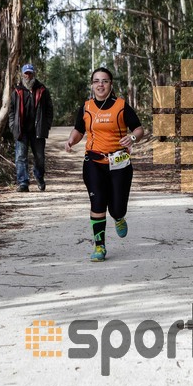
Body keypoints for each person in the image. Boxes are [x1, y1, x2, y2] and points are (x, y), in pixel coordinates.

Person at [65, 67, 144, 262]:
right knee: (97, 202)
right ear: (92, 85)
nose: (100, 84)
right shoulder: (86, 107)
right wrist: (71, 141)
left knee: (117, 208)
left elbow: (139, 129)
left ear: (110, 84)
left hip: (119, 163)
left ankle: (119, 216)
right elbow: (78, 130)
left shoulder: (121, 106)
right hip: (93, 161)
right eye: (96, 81)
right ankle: (99, 246)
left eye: (105, 81)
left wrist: (132, 138)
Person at [9, 64, 54, 192]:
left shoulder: (42, 90)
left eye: (30, 73)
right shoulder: (17, 91)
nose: (28, 76)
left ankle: (39, 177)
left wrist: (47, 125)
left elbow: (49, 110)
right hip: (21, 131)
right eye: (26, 73)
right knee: (20, 157)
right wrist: (13, 126)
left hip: (38, 131)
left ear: (34, 74)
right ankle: (23, 183)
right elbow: (11, 110)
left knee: (39, 157)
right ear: (22, 75)